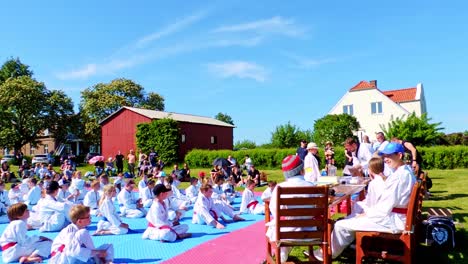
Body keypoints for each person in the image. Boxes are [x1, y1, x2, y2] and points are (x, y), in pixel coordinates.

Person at [315, 142, 416, 260]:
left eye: (389, 156)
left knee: (340, 225)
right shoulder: (405, 172)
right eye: (384, 156)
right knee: (353, 216)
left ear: (399, 155)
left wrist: (365, 214)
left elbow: (385, 207)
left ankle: (326, 256)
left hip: (393, 221)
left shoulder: (399, 177)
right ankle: (344, 247)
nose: (386, 159)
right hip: (396, 217)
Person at [265, 155, 316, 263]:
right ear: (302, 170)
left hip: (285, 233)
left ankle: (282, 253)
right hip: (310, 232)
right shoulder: (312, 186)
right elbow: (317, 208)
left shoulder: (280, 188)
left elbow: (274, 210)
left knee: (274, 225)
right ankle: (283, 253)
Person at [49, 205, 114, 264]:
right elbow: (73, 251)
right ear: (79, 221)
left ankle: (107, 262)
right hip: (63, 260)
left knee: (108, 246)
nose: (90, 218)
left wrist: (96, 252)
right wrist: (97, 252)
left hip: (75, 257)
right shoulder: (70, 231)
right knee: (83, 233)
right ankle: (99, 261)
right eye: (88, 217)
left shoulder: (78, 229)